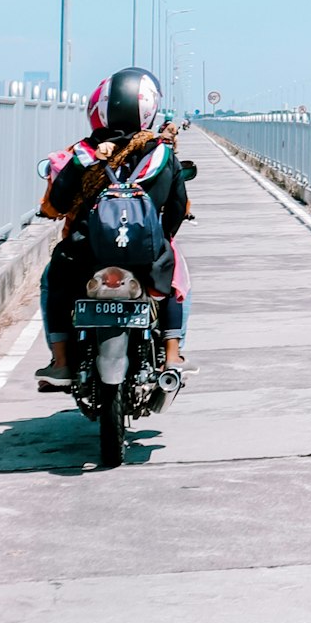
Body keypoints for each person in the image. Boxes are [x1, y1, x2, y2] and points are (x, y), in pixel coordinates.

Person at [34, 67, 190, 389]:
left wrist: (80, 167)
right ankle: (172, 354)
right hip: (146, 254)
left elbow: (59, 202)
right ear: (148, 111)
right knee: (175, 278)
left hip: (85, 252)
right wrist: (164, 236)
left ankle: (62, 361)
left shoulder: (82, 154)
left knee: (53, 280)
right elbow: (176, 208)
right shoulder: (162, 154)